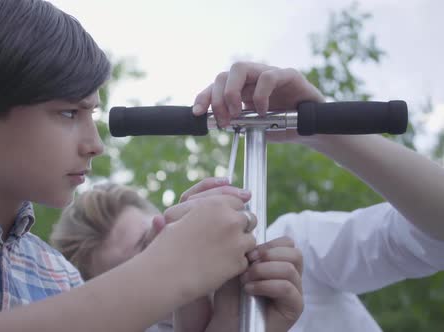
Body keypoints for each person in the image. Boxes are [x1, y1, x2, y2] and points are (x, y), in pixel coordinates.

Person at [0, 1, 302, 332]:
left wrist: (227, 319)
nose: (95, 145)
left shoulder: (55, 273)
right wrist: (170, 270)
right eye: (69, 114)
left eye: (92, 113)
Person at [53, 61, 444, 332]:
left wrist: (323, 129)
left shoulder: (291, 245)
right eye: (137, 266)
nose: (163, 250)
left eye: (155, 233)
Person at [51, 182, 304, 332]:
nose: (164, 258)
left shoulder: (290, 240)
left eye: (154, 237)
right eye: (134, 273)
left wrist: (318, 131)